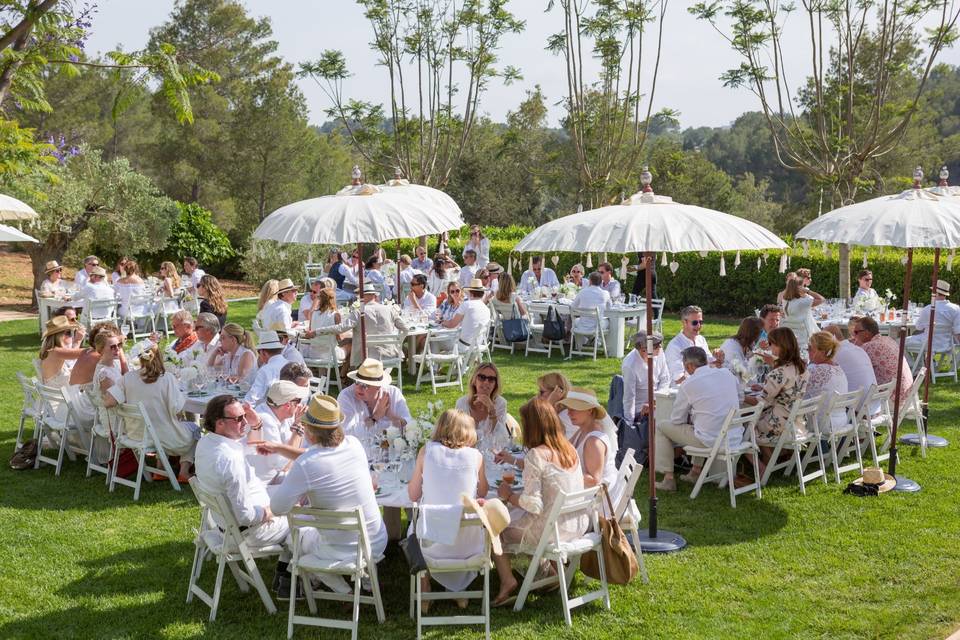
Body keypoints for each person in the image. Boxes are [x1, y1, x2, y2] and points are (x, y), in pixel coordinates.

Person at [268, 394, 387, 595]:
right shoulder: (354, 444)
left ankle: (344, 592)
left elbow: (277, 508)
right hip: (375, 540)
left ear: (310, 432)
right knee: (314, 521)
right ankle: (367, 584)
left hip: (342, 550)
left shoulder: (307, 464)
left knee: (291, 538)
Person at [491, 398, 587, 606]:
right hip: (575, 524)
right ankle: (548, 575)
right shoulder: (569, 449)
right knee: (515, 515)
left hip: (551, 531)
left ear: (532, 426)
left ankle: (508, 580)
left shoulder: (537, 454)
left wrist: (508, 495)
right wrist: (514, 461)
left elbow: (533, 504)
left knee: (493, 525)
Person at [194, 395, 290, 580]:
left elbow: (251, 448)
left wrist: (256, 425)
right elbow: (245, 516)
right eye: (239, 419)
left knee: (295, 495)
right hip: (251, 532)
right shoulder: (230, 461)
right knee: (304, 516)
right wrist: (271, 511)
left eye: (244, 415)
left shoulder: (207, 443)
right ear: (220, 423)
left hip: (227, 524)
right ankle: (293, 578)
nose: (244, 421)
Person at [407, 409, 488, 609]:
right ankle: (457, 590)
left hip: (431, 545)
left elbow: (413, 495)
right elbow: (484, 491)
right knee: (462, 524)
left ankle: (425, 589)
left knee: (411, 531)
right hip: (469, 547)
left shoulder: (426, 451)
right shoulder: (476, 456)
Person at [104, 344, 199, 482]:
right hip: (162, 436)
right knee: (194, 429)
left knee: (162, 425)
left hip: (136, 434)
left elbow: (109, 402)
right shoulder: (167, 378)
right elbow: (177, 408)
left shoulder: (128, 378)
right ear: (159, 357)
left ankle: (161, 469)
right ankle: (184, 471)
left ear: (140, 359)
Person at [654, 346, 741, 491]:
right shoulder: (726, 373)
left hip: (711, 440)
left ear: (688, 366)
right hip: (734, 436)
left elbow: (677, 420)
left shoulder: (688, 384)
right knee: (700, 424)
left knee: (662, 426)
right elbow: (739, 395)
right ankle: (695, 471)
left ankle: (668, 478)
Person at [744, 328, 809, 468]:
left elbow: (760, 402)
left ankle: (762, 467)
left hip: (779, 423)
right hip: (796, 420)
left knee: (744, 428)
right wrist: (765, 384)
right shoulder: (802, 367)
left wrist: (740, 396)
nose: (770, 347)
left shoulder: (779, 372)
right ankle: (771, 458)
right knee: (756, 420)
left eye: (771, 344)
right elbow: (787, 388)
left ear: (780, 346)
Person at [558, 387, 627, 512]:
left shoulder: (593, 441)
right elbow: (564, 451)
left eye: (574, 409)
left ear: (589, 410)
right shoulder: (583, 429)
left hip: (598, 504)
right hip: (590, 495)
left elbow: (594, 480)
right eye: (569, 409)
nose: (569, 413)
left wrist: (561, 472)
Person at [317, 283, 409, 366]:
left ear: (362, 296)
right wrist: (398, 343)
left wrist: (318, 331)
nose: (358, 297)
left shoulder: (359, 312)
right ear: (374, 295)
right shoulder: (389, 309)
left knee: (350, 345)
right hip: (390, 354)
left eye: (359, 295)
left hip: (366, 356)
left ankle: (353, 378)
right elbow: (405, 329)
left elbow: (341, 328)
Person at [245, 380, 309, 484]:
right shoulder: (265, 420)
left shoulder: (281, 415)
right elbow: (282, 465)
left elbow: (297, 450)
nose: (300, 405)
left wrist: (297, 426)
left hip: (274, 476)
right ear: (288, 405)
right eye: (298, 401)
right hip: (263, 483)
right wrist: (299, 427)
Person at [337, 358, 412, 442]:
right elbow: (347, 434)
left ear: (378, 386)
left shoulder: (393, 393)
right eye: (357, 382)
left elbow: (409, 428)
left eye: (364, 385)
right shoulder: (346, 397)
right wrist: (375, 417)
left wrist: (391, 415)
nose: (358, 388)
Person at [852, 316, 914, 404]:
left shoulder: (870, 346)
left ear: (866, 333)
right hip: (907, 394)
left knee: (855, 391)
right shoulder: (887, 339)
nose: (854, 336)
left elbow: (854, 366)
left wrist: (855, 345)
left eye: (856, 332)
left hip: (893, 398)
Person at [456, 363, 510, 451]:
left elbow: (502, 439)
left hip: (491, 454)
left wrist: (492, 410)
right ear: (474, 381)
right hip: (466, 452)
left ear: (495, 384)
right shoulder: (462, 403)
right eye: (482, 377)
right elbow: (457, 435)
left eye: (491, 379)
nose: (486, 382)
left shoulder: (500, 403)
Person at [824, 324, 878, 412]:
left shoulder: (836, 353)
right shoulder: (857, 349)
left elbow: (823, 374)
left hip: (857, 408)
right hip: (873, 405)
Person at [622, 331, 670, 426]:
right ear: (644, 349)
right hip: (640, 410)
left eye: (660, 344)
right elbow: (629, 397)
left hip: (659, 401)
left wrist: (655, 401)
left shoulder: (659, 353)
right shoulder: (630, 365)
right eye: (656, 346)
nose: (660, 347)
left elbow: (665, 379)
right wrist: (629, 424)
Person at [806, 331, 849, 433]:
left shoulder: (816, 370)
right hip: (841, 420)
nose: (808, 351)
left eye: (810, 348)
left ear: (822, 351)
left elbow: (796, 390)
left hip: (821, 424)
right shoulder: (838, 368)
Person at [906, 279, 960, 355]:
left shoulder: (929, 308)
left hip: (929, 344)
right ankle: (921, 365)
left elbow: (918, 327)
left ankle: (912, 365)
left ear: (936, 293)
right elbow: (958, 330)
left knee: (900, 341)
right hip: (947, 345)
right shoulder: (956, 309)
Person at [664, 305, 714, 384]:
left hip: (703, 383)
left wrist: (718, 360)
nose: (698, 326)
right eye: (695, 322)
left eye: (701, 322)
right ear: (684, 322)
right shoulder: (674, 346)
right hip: (683, 390)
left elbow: (710, 362)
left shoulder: (701, 339)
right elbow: (678, 379)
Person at [303, 286, 350, 366]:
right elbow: (339, 338)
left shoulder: (313, 313)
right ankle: (343, 375)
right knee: (350, 345)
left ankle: (323, 375)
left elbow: (311, 332)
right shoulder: (335, 315)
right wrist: (347, 334)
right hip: (330, 355)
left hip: (313, 353)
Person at [442, 278, 491, 348]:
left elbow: (451, 325)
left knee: (433, 341)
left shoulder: (466, 305)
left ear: (471, 293)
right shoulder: (486, 309)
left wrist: (442, 322)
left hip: (463, 345)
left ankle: (430, 358)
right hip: (478, 345)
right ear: (482, 293)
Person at [244, 331, 289, 406]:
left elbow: (252, 397)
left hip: (268, 411)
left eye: (259, 352)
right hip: (287, 409)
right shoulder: (290, 364)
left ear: (263, 352)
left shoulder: (266, 370)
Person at [38, 316, 85, 385]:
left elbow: (71, 356)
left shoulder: (50, 351)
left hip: (55, 393)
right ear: (61, 336)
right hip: (62, 395)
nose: (72, 336)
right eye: (69, 333)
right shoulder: (57, 352)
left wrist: (78, 340)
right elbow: (85, 353)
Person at [781, 277, 825, 349]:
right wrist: (807, 291)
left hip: (791, 334)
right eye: (803, 286)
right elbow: (822, 299)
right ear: (799, 288)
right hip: (805, 337)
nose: (804, 287)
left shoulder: (785, 299)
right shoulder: (803, 302)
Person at [534, 371, 575, 438]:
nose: (538, 396)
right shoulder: (556, 412)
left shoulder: (566, 416)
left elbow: (537, 434)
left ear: (557, 391)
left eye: (542, 392)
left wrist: (549, 404)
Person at [571, 271, 611, 335]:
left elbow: (573, 307)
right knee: (610, 321)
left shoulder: (582, 292)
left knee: (575, 321)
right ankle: (599, 341)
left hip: (582, 325)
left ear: (590, 281)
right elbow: (609, 308)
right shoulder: (605, 293)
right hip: (597, 326)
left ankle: (581, 344)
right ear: (601, 282)